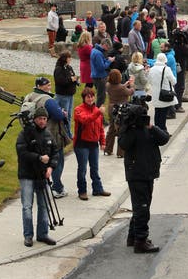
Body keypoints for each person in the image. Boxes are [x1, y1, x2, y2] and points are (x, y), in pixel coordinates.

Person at [118, 101, 170, 253]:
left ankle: (133, 237)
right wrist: (129, 128)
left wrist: (152, 128)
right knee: (142, 208)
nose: (144, 119)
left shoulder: (149, 129)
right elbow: (124, 145)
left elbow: (165, 138)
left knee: (141, 206)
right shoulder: (129, 130)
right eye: (141, 116)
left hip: (149, 172)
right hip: (137, 174)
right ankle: (140, 241)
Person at [16, 106, 58, 247]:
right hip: (27, 175)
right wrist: (39, 158)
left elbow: (55, 153)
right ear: (34, 119)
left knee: (44, 205)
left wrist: (51, 167)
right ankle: (28, 235)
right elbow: (22, 152)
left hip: (42, 175)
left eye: (44, 118)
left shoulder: (48, 135)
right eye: (40, 118)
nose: (42, 121)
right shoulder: (25, 134)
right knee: (27, 206)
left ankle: (43, 234)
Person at [24, 77, 71, 199]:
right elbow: (58, 115)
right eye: (46, 85)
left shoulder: (29, 96)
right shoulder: (47, 100)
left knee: (38, 162)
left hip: (33, 135)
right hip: (51, 134)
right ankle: (57, 188)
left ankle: (37, 187)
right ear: (39, 86)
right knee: (56, 161)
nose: (49, 86)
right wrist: (63, 113)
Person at [73, 88, 110, 201]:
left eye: (92, 96)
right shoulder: (78, 110)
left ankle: (97, 189)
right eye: (88, 97)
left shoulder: (97, 110)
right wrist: (98, 112)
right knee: (82, 169)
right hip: (81, 144)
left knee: (95, 168)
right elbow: (85, 120)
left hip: (93, 144)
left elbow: (100, 129)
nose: (90, 99)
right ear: (84, 98)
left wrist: (102, 142)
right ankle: (82, 191)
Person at [105, 70, 134, 157]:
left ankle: (108, 149)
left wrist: (125, 84)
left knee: (112, 128)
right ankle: (121, 152)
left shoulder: (108, 85)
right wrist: (132, 85)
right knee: (122, 129)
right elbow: (130, 92)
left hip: (111, 108)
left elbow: (119, 88)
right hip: (121, 109)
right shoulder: (121, 88)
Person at [148, 53, 177, 132]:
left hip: (155, 95)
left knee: (157, 113)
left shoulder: (152, 69)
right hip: (164, 94)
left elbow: (149, 81)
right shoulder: (166, 69)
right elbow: (174, 81)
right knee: (163, 115)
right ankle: (163, 131)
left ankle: (156, 131)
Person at [53, 51, 78, 137]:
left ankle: (68, 133)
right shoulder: (58, 69)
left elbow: (73, 76)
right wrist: (71, 80)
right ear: (65, 59)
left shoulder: (69, 67)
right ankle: (64, 133)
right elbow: (60, 81)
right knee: (64, 115)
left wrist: (75, 80)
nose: (70, 59)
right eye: (69, 57)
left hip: (70, 95)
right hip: (63, 96)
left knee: (69, 115)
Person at [90, 38, 115, 108]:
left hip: (95, 76)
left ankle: (97, 113)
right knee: (101, 97)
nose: (107, 49)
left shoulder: (94, 50)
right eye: (107, 47)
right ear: (104, 45)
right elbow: (101, 67)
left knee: (100, 95)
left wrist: (106, 59)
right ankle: (99, 114)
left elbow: (99, 63)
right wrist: (109, 61)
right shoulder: (98, 53)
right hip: (100, 77)